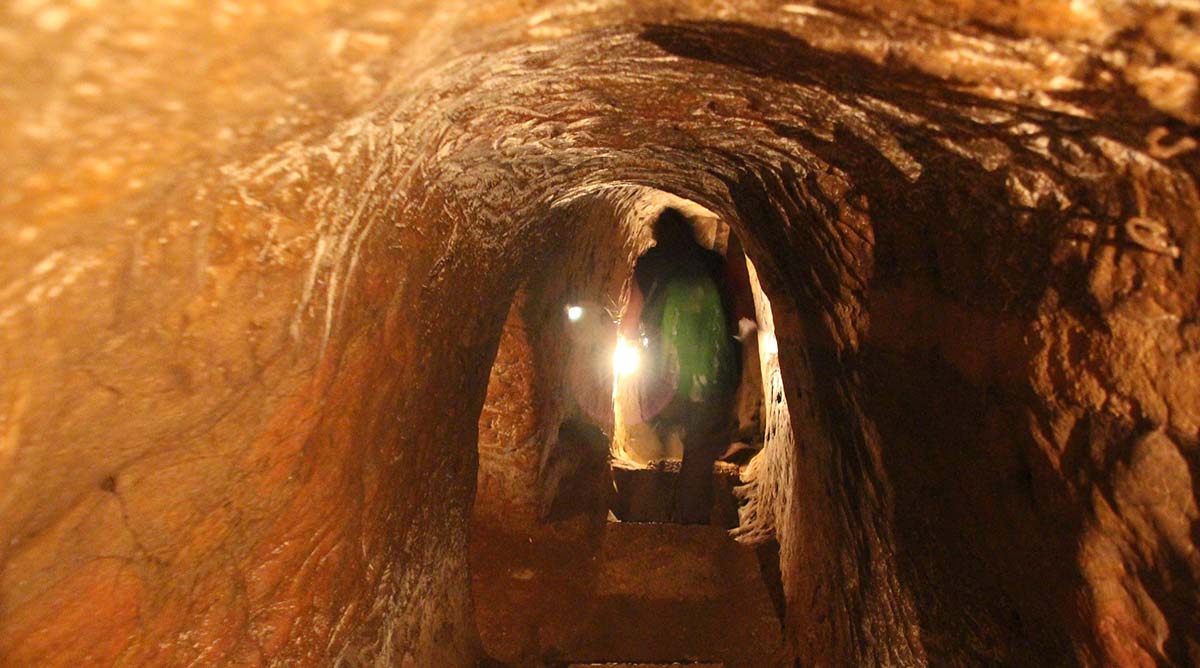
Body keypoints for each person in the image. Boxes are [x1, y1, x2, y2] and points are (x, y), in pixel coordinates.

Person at [620, 209, 743, 524]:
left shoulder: (649, 264)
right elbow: (733, 318)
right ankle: (690, 521)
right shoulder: (713, 263)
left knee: (664, 427)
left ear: (657, 234)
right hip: (711, 374)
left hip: (665, 377)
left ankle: (655, 494)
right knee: (699, 450)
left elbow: (630, 324)